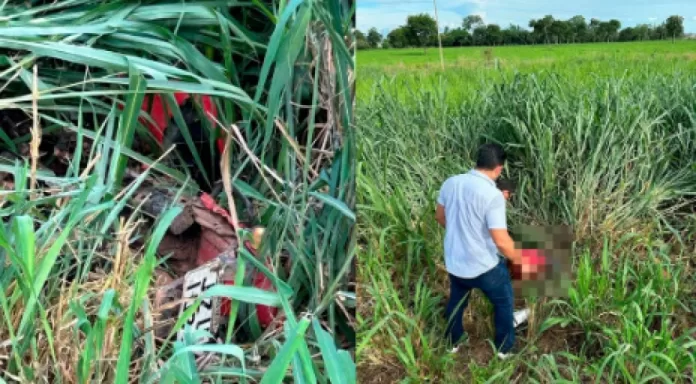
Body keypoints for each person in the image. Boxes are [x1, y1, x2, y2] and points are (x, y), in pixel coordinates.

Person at [435, 143, 532, 359]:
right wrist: (522, 260)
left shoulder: (450, 183)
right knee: (504, 300)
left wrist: (462, 235)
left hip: (455, 261)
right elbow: (501, 241)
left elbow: (440, 217)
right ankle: (504, 349)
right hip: (483, 266)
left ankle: (453, 342)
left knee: (457, 301)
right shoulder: (493, 196)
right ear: (499, 169)